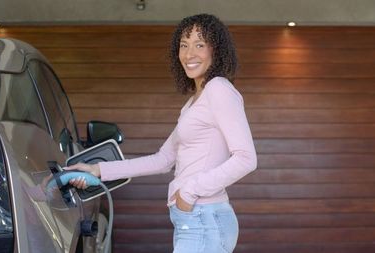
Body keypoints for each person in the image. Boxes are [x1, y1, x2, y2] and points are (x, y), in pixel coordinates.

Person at [66, 13, 257, 253]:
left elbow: (246, 158)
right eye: (184, 45)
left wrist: (189, 192)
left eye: (199, 44)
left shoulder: (219, 89)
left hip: (204, 219)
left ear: (216, 50)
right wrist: (98, 170)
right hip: (192, 219)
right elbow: (163, 159)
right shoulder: (194, 103)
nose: (189, 54)